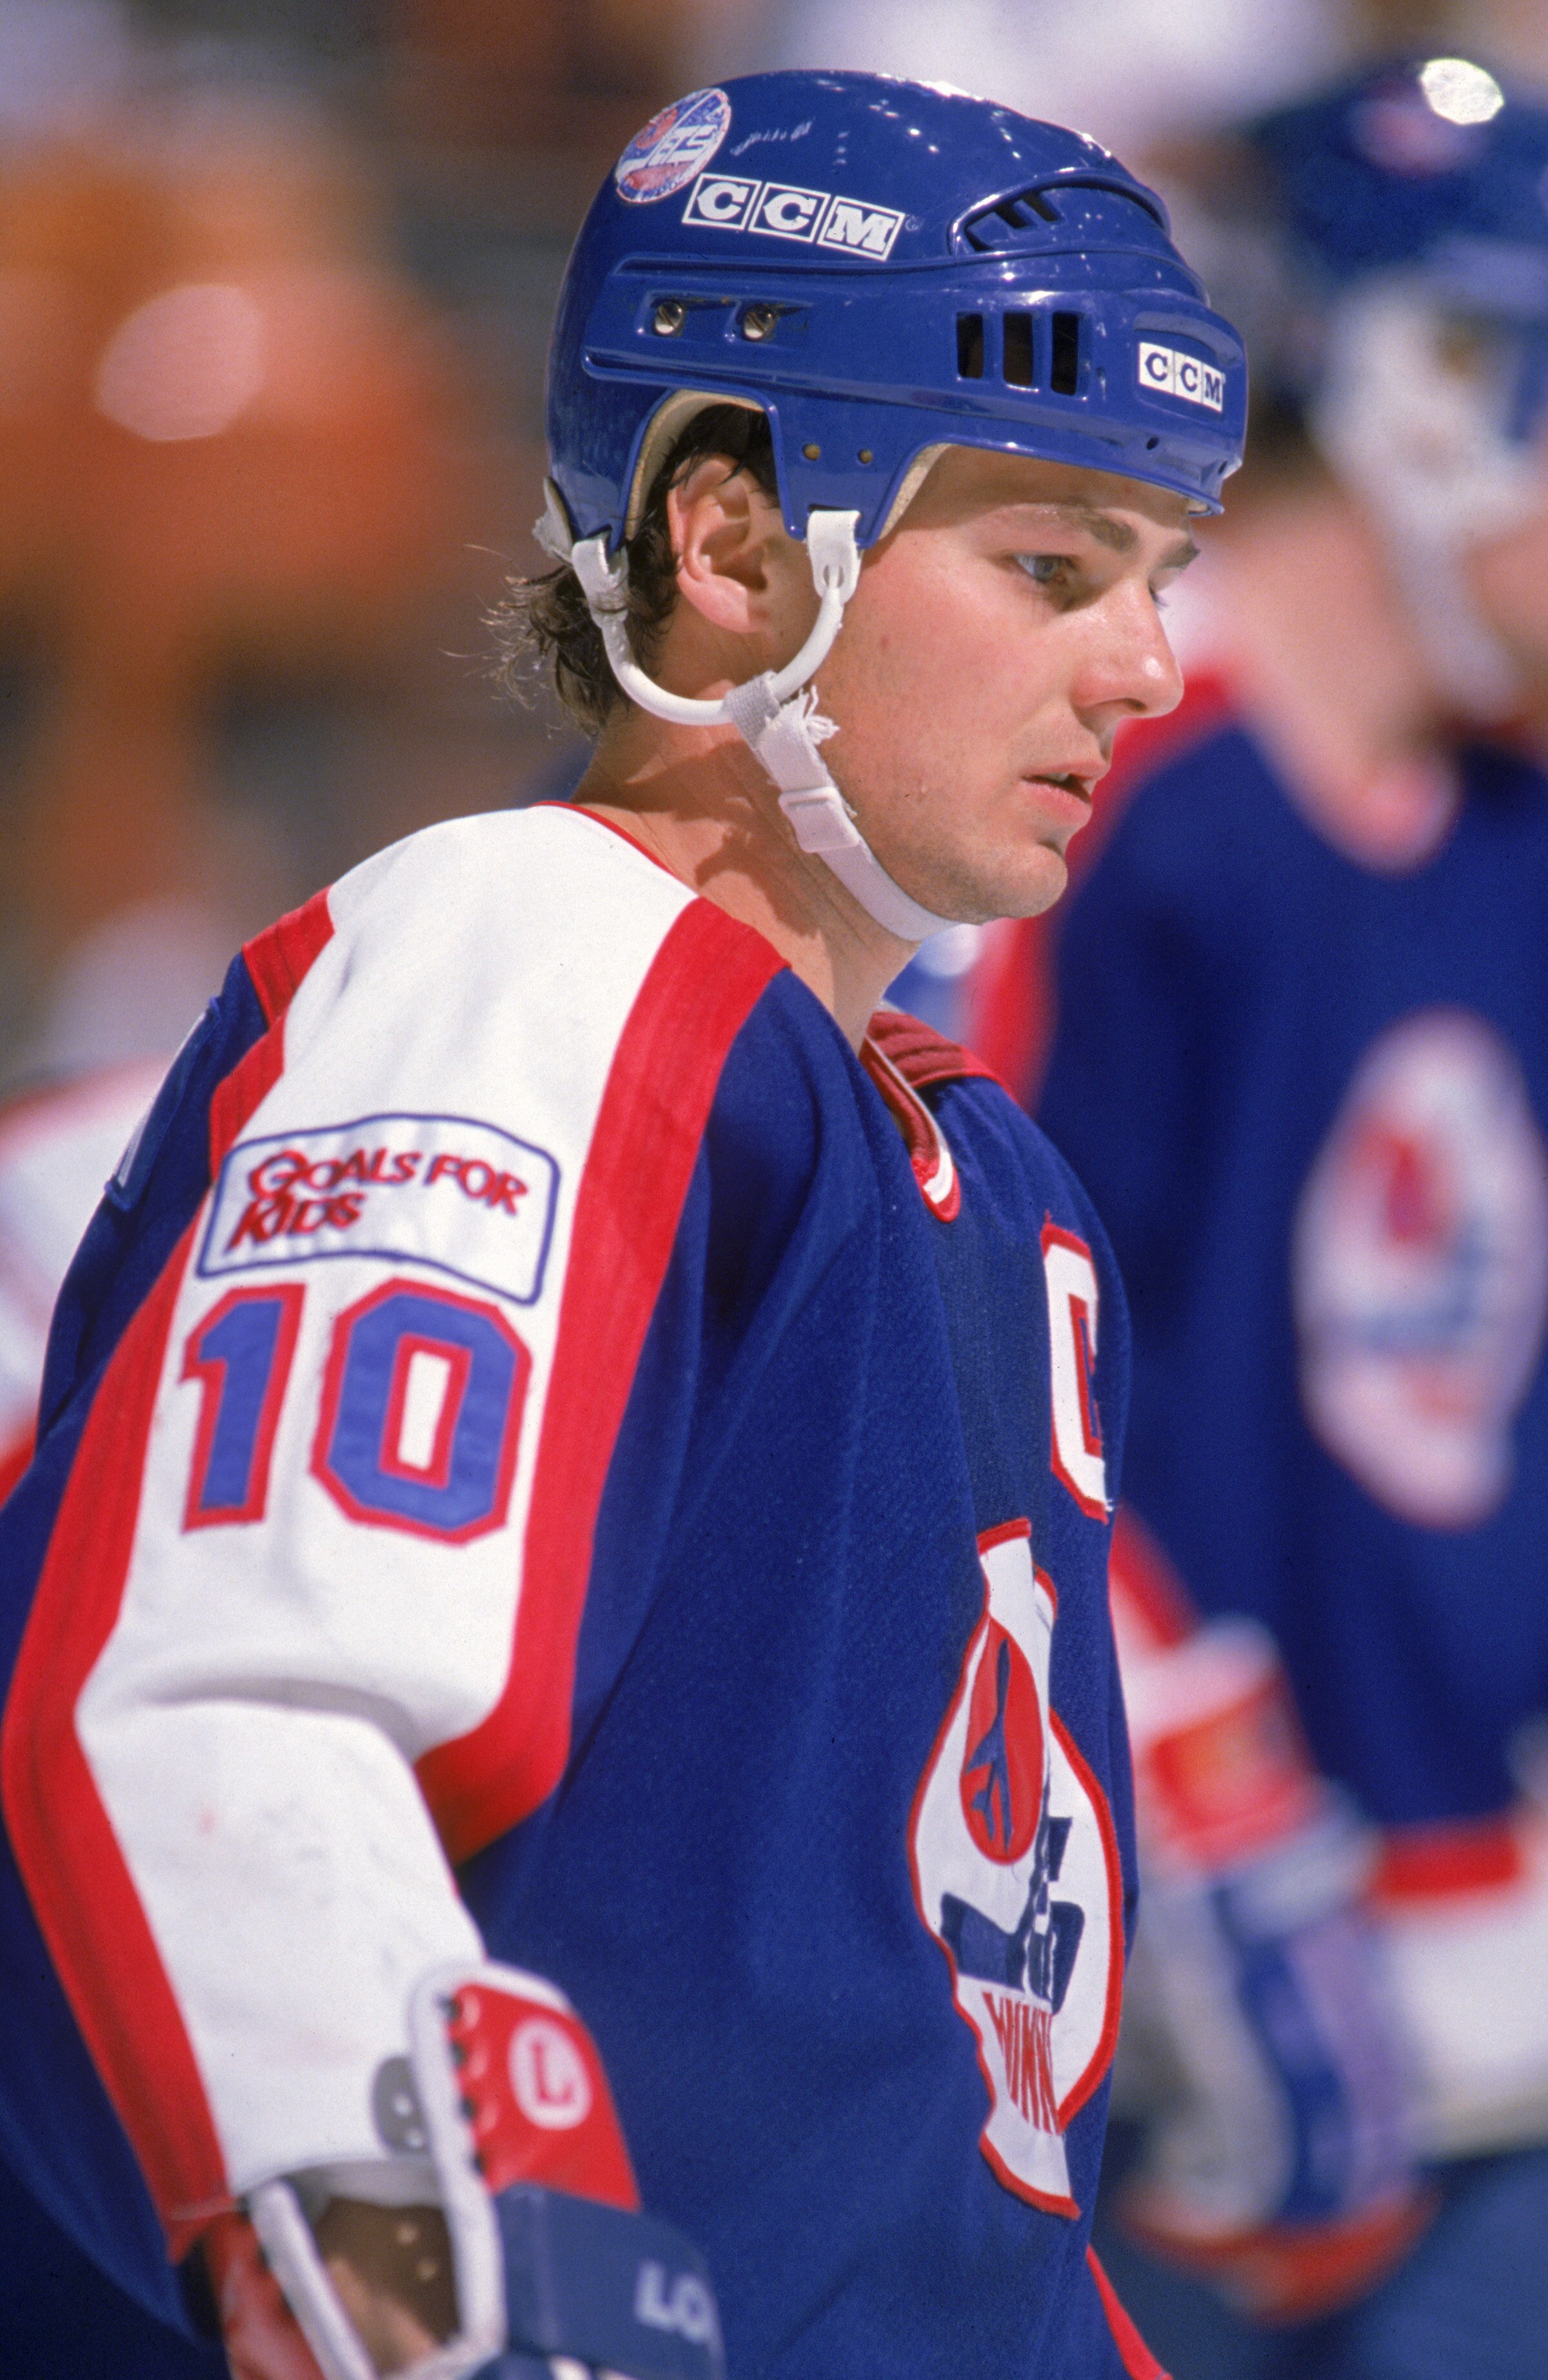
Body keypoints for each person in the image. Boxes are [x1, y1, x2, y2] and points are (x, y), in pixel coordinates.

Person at [0, 70, 1252, 2379]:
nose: (1147, 667)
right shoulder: (545, 963)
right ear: (736, 541)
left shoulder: (997, 1186)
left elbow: (942, 2115)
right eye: (1053, 568)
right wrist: (401, 2251)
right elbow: (227, 1706)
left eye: (1164, 578)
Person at [1036, 54, 1548, 2378]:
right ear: (1436, 390)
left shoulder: (1513, 816)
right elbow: (946, 1355)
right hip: (1171, 1994)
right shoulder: (1107, 780)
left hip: (1497, 1980)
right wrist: (1195, 1797)